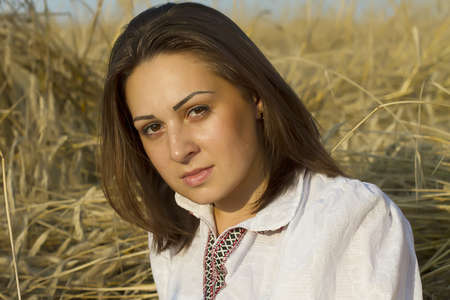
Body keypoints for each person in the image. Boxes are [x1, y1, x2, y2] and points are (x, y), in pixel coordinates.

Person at [100, 2, 422, 299]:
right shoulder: (173, 238)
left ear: (255, 96)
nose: (178, 150)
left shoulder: (351, 220)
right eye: (153, 128)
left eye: (197, 110)